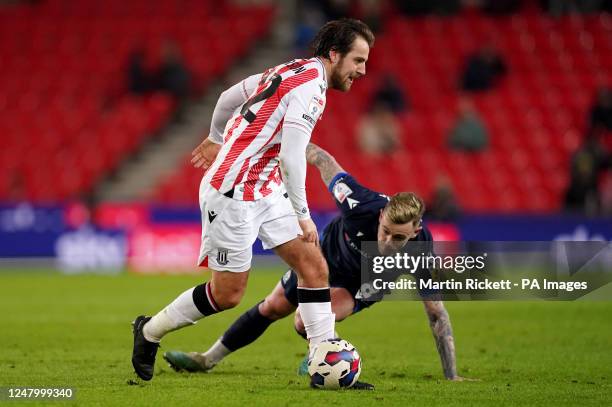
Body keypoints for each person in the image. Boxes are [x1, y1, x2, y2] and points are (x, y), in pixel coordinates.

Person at [131, 19, 375, 383]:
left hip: (265, 187)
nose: (362, 70)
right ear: (334, 54)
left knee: (314, 268)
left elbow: (228, 96)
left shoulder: (291, 69)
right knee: (228, 294)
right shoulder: (311, 87)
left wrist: (216, 136)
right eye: (357, 60)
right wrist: (303, 215)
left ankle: (322, 363)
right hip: (232, 194)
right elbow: (293, 156)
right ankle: (149, 330)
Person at [163, 143, 472, 387]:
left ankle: (320, 359)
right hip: (324, 253)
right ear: (380, 217)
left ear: (416, 232)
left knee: (303, 320)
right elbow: (323, 159)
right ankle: (207, 359)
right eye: (385, 231)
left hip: (364, 281)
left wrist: (451, 374)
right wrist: (292, 148)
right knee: (272, 306)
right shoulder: (358, 202)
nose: (388, 241)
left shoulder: (421, 250)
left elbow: (436, 312)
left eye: (399, 238)